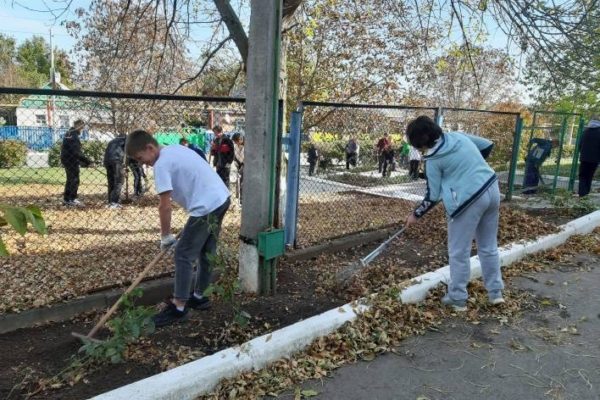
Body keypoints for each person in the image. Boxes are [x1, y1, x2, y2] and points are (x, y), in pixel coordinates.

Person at [126, 129, 230, 327]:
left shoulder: (161, 164)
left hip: (206, 205)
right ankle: (200, 297)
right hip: (221, 198)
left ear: (150, 147)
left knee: (183, 254)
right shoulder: (174, 149)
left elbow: (164, 206)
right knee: (206, 251)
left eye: (141, 158)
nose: (142, 163)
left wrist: (165, 236)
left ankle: (179, 307)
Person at [404, 115, 504, 312]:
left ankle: (458, 298)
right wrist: (472, 168)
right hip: (491, 189)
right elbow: (487, 145)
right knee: (488, 246)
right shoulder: (457, 136)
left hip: (468, 201)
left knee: (459, 251)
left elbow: (432, 196)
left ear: (419, 141)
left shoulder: (433, 160)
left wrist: (415, 215)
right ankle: (495, 293)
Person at [60, 119, 91, 207]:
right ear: (78, 126)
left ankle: (67, 199)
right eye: (82, 127)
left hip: (67, 159)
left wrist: (84, 163)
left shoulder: (69, 133)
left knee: (70, 179)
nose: (82, 129)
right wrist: (88, 162)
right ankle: (72, 199)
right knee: (74, 180)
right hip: (71, 161)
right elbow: (76, 152)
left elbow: (73, 151)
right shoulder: (73, 136)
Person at [577, 116, 600, 197]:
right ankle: (586, 193)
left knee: (582, 176)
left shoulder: (585, 132)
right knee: (589, 176)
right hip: (595, 160)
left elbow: (579, 145)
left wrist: (582, 153)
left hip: (584, 158)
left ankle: (582, 194)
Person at [103, 134, 127, 209]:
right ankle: (114, 202)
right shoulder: (126, 140)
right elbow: (128, 153)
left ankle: (110, 201)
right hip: (116, 160)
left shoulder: (112, 141)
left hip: (107, 161)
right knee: (119, 181)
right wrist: (125, 165)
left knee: (111, 181)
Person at [232, 132, 244, 203]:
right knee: (240, 181)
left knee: (243, 182)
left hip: (245, 164)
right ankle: (240, 198)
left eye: (236, 141)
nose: (235, 143)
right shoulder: (235, 146)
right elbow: (235, 157)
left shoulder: (246, 146)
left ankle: (242, 199)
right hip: (239, 164)